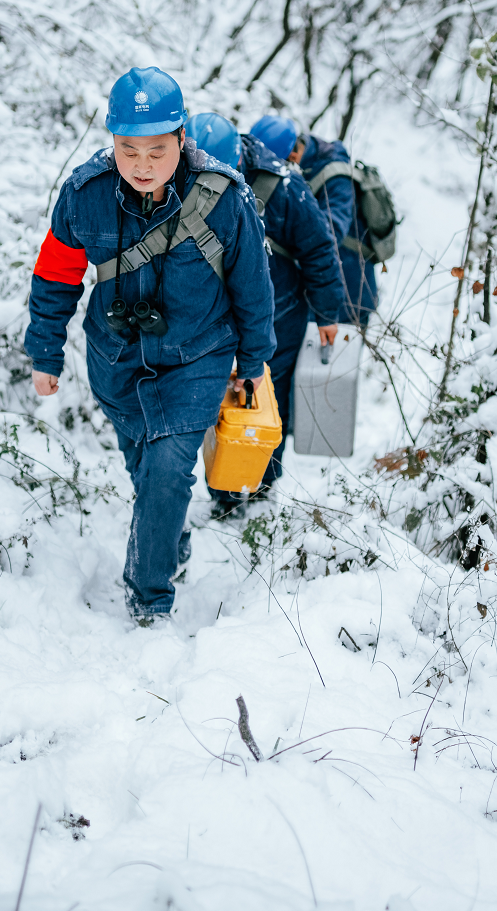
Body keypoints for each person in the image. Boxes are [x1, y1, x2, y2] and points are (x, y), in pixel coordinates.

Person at [25, 68, 275, 622]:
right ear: (112, 141)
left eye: (156, 151)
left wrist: (254, 359)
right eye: (128, 149)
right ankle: (169, 544)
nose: (141, 165)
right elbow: (57, 273)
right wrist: (45, 351)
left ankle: (148, 600)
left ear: (182, 139)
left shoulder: (224, 199)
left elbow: (252, 285)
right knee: (147, 471)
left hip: (198, 358)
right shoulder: (85, 195)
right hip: (116, 360)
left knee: (168, 469)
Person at [185, 113, 345, 507]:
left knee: (266, 401)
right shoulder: (185, 172)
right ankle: (224, 488)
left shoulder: (284, 185)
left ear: (238, 159)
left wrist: (327, 315)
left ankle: (257, 489)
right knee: (218, 399)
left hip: (280, 313)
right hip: (215, 317)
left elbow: (319, 248)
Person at [249, 115, 378, 326]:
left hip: (349, 289)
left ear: (292, 155)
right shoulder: (303, 164)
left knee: (331, 357)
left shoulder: (337, 179)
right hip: (320, 282)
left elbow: (329, 235)